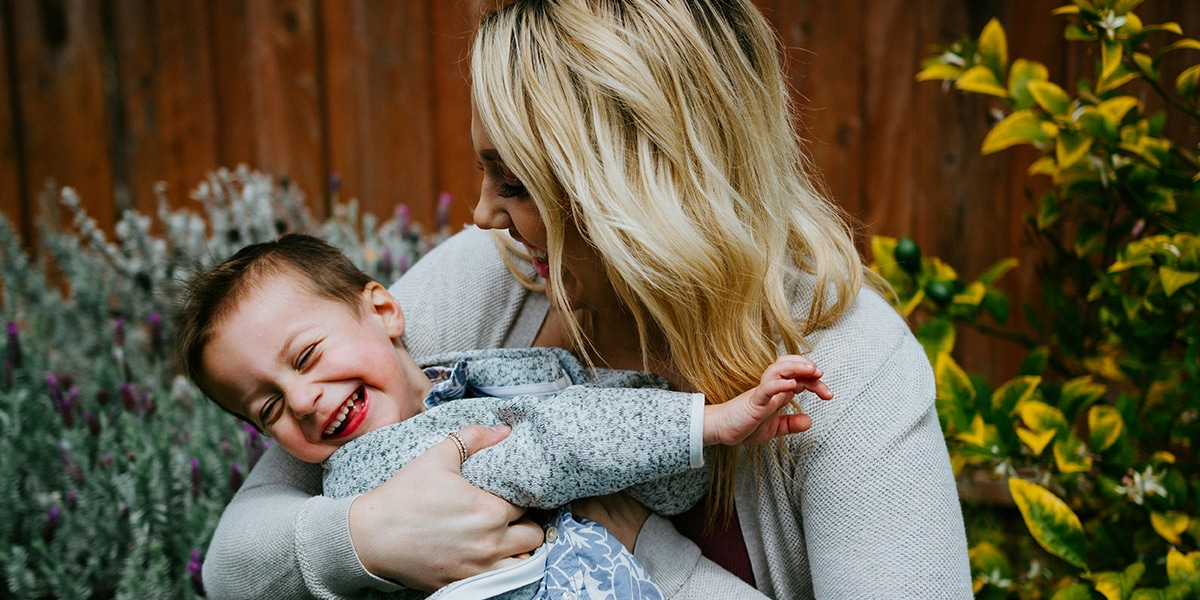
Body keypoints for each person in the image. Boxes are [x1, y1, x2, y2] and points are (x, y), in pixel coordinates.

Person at [201, 1, 973, 598]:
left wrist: (643, 551)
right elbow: (235, 563)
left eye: (515, 183)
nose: (482, 215)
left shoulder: (850, 371)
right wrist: (369, 537)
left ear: (638, 186)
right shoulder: (490, 278)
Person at [178, 233, 832, 599]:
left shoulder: (473, 379)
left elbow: (625, 453)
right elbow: (551, 446)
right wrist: (707, 425)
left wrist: (674, 455)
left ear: (383, 311)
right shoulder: (372, 467)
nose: (301, 401)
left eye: (308, 356)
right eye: (268, 408)